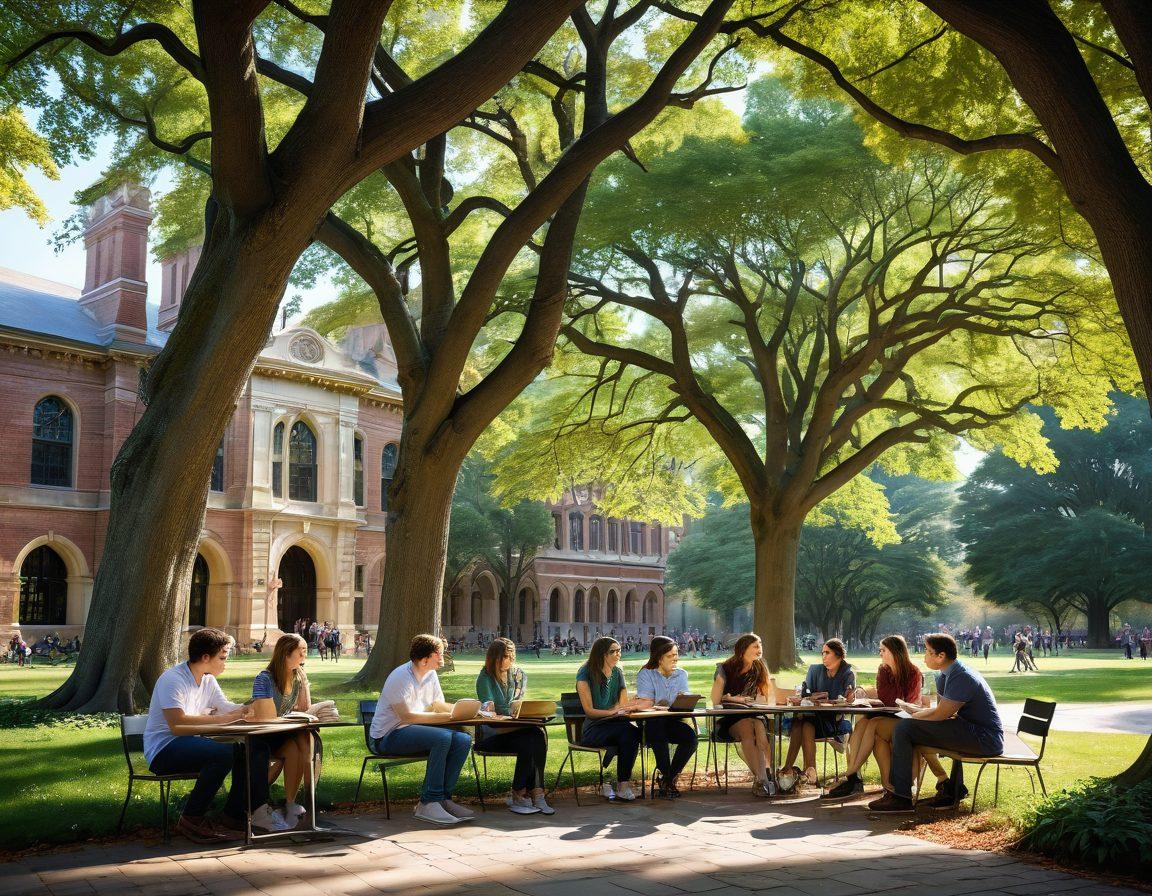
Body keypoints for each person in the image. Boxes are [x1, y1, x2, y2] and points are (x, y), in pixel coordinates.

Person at [144, 628, 291, 842]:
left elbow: (225, 708)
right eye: (222, 657)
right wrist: (225, 718)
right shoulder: (172, 679)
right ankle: (192, 819)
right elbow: (177, 725)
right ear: (205, 657)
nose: (225, 663)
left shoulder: (207, 680)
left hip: (192, 745)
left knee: (252, 749)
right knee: (223, 754)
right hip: (164, 749)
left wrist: (248, 707)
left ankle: (233, 816)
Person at [869, 633, 1004, 813]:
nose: (924, 655)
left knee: (904, 728)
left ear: (941, 656)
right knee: (907, 728)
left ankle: (901, 797)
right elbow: (943, 712)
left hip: (984, 738)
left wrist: (914, 716)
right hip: (968, 730)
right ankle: (949, 788)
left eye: (928, 651)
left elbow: (941, 714)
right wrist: (914, 710)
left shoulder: (961, 676)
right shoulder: (945, 675)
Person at [369, 634, 474, 826]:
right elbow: (407, 717)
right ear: (425, 659)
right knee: (442, 738)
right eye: (439, 654)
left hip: (413, 731)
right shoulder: (399, 677)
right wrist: (448, 717)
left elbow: (437, 703)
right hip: (387, 736)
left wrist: (464, 711)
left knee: (463, 740)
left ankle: (443, 799)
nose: (443, 657)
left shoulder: (430, 674)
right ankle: (428, 802)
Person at [475, 638, 553, 815]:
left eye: (512, 656)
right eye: (505, 657)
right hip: (492, 733)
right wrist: (508, 718)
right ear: (494, 657)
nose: (509, 661)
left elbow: (517, 704)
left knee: (536, 735)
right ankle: (522, 793)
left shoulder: (518, 675)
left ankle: (534, 792)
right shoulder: (485, 678)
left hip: (516, 729)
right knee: (532, 737)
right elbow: (489, 712)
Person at [251, 634, 317, 826]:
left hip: (280, 734)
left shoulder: (297, 677)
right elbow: (267, 718)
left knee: (301, 745)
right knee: (298, 745)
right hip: (261, 735)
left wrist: (304, 684)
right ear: (286, 655)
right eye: (301, 652)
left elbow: (305, 709)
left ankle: (292, 804)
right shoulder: (265, 679)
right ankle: (258, 805)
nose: (305, 656)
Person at [575, 637, 645, 801]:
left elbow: (623, 704)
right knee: (630, 733)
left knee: (635, 732)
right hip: (593, 729)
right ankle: (622, 785)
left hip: (615, 724)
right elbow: (590, 711)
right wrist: (614, 712)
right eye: (612, 651)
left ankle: (621, 784)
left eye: (619, 650)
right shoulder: (585, 673)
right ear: (601, 654)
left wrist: (631, 705)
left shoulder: (617, 672)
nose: (617, 654)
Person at [711, 633, 780, 797]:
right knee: (750, 728)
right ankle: (764, 779)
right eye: (755, 646)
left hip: (754, 715)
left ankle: (762, 779)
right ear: (743, 650)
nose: (760, 649)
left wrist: (758, 701)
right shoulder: (724, 668)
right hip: (729, 719)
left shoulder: (760, 666)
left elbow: (767, 697)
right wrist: (731, 698)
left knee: (757, 727)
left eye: (760, 644)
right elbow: (715, 700)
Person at [783, 638, 856, 787]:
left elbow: (845, 701)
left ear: (839, 655)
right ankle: (806, 772)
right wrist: (811, 697)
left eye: (827, 652)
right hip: (811, 716)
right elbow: (805, 694)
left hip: (833, 721)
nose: (823, 656)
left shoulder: (847, 673)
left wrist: (831, 700)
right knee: (801, 722)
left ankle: (792, 770)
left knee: (804, 724)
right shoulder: (815, 670)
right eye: (822, 652)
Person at [634, 636, 698, 798]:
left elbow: (682, 698)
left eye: (676, 654)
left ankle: (667, 778)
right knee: (657, 727)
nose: (675, 658)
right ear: (659, 657)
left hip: (673, 720)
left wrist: (685, 699)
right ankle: (667, 779)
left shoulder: (682, 674)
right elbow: (647, 703)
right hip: (650, 722)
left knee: (690, 738)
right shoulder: (646, 674)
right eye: (670, 656)